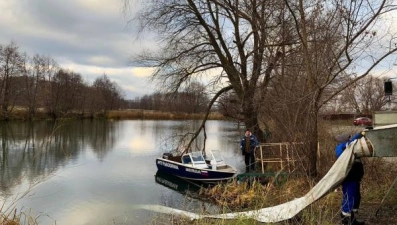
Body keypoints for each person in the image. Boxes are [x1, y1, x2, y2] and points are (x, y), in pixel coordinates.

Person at [335, 132, 366, 225]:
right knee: (349, 197)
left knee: (356, 197)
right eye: (348, 138)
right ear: (344, 140)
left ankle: (353, 219)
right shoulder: (342, 147)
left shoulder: (348, 148)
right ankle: (346, 220)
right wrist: (361, 134)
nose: (350, 139)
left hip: (354, 178)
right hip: (349, 178)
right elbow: (352, 142)